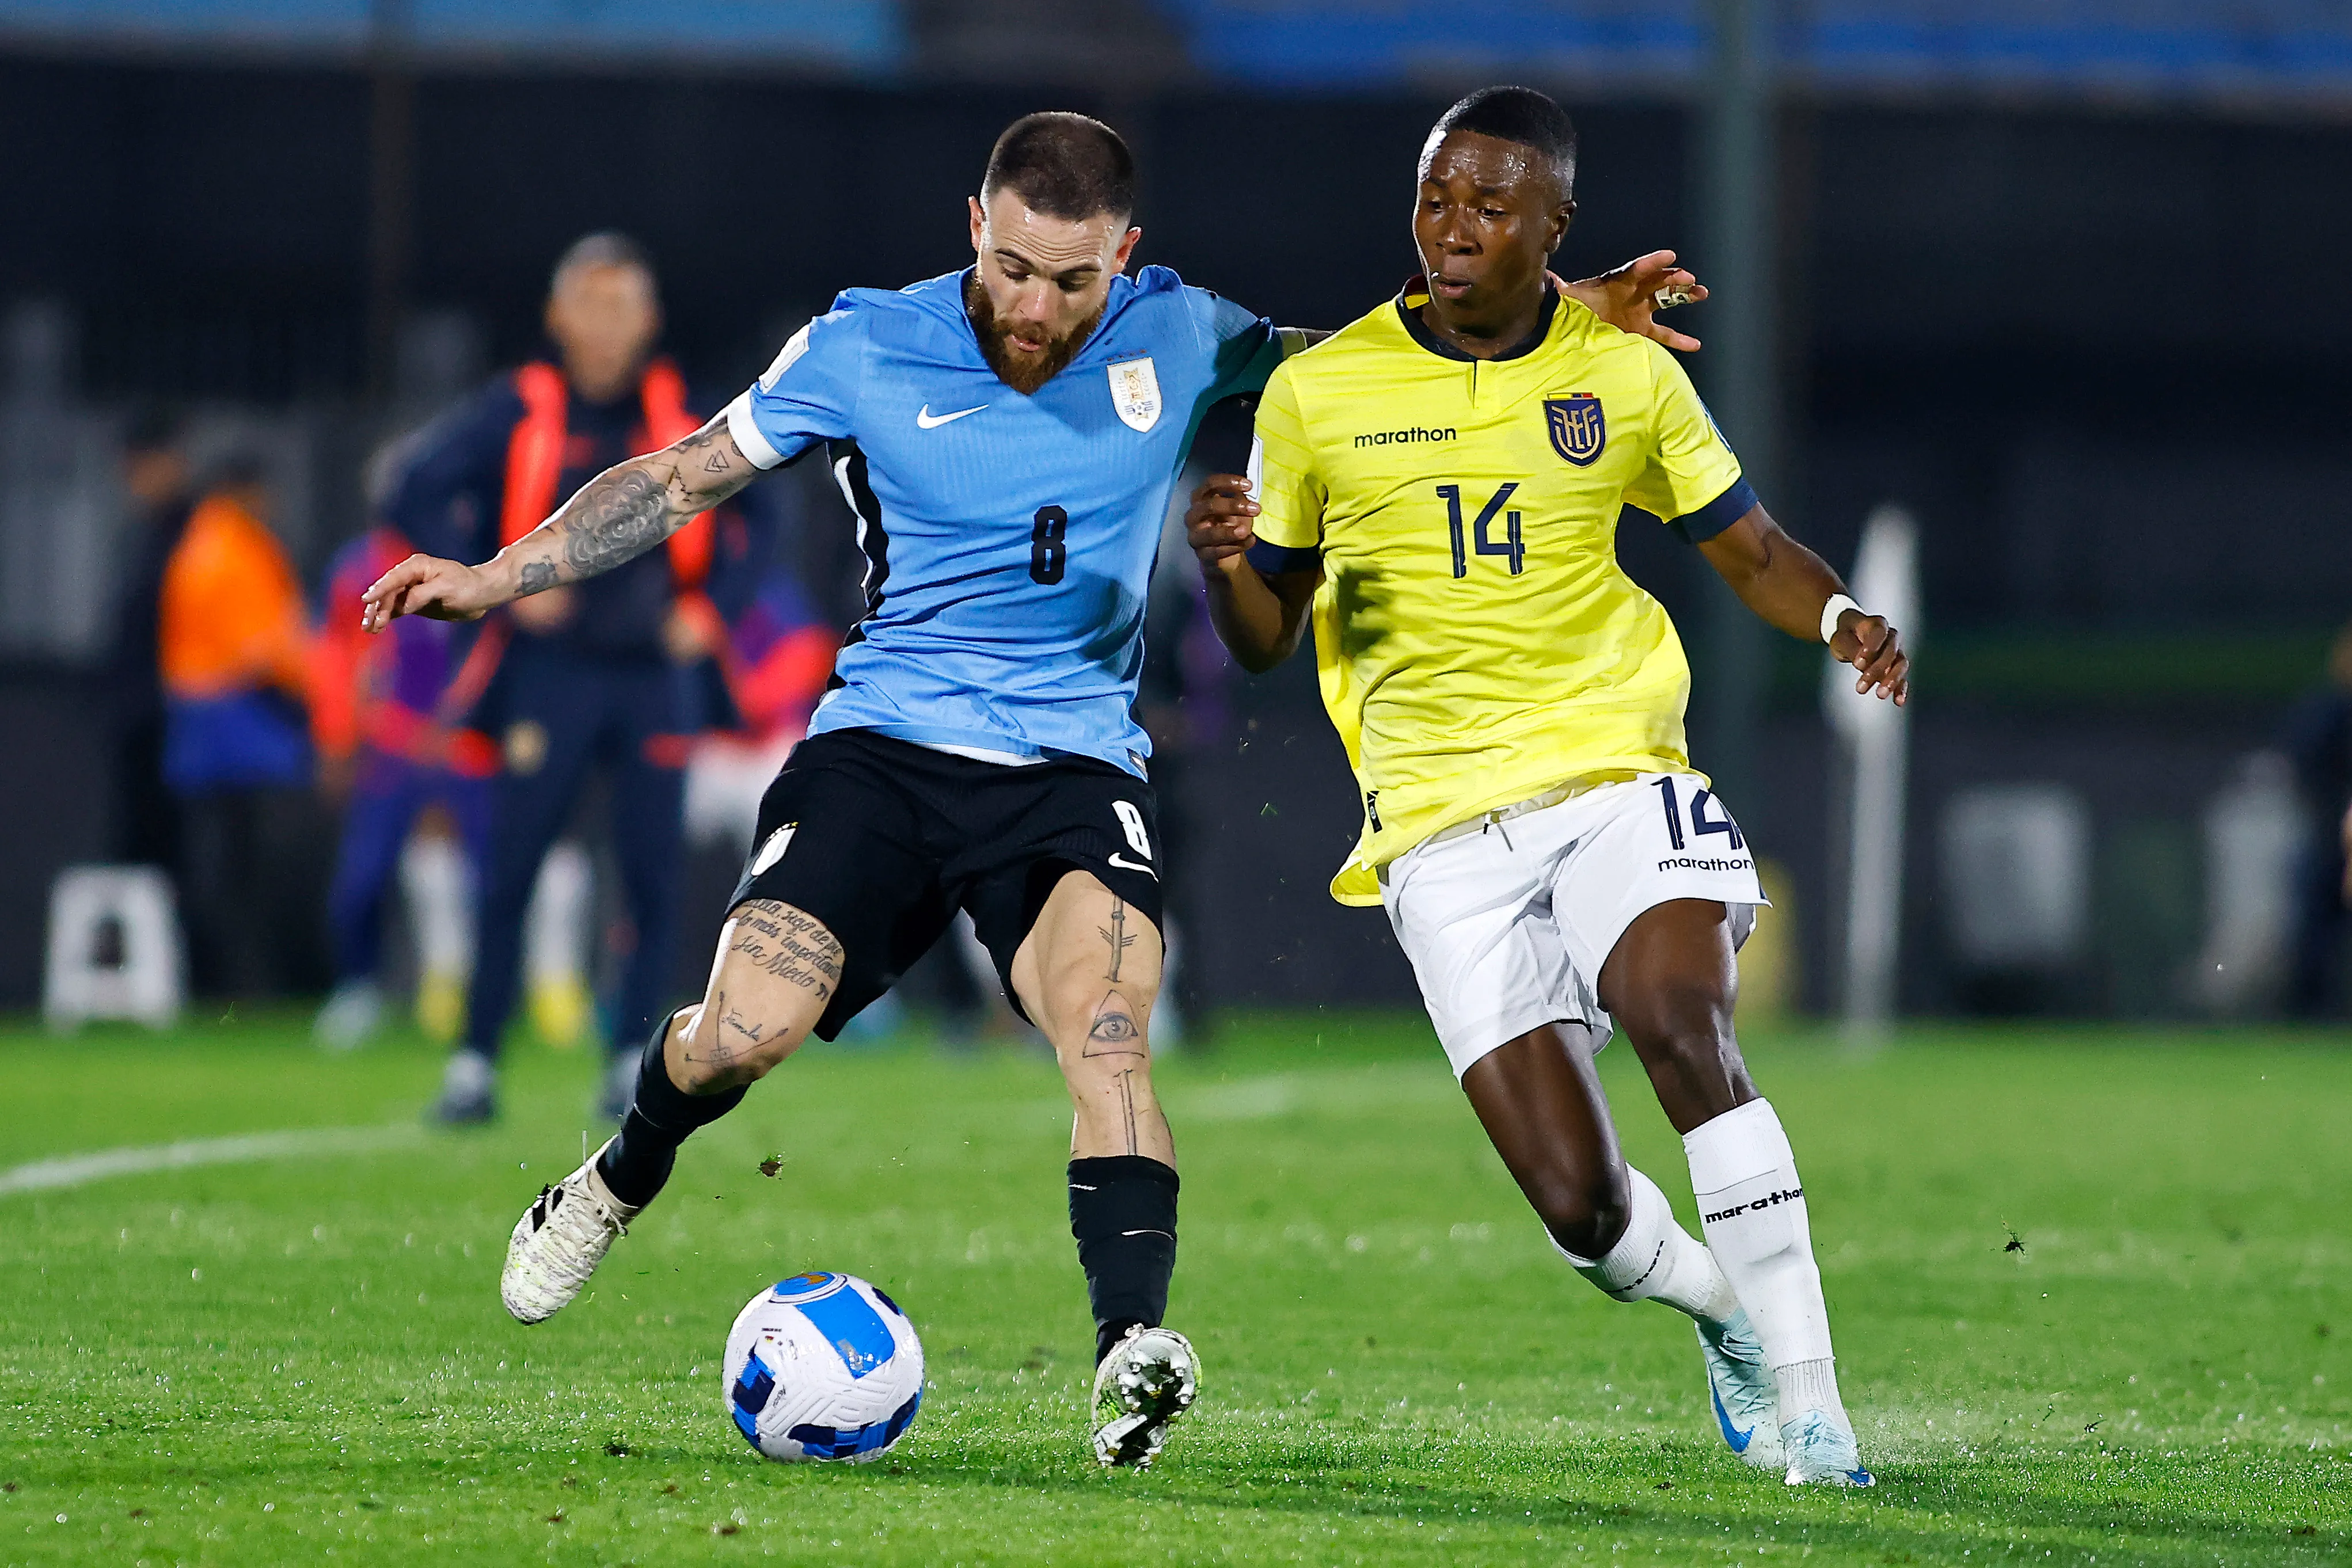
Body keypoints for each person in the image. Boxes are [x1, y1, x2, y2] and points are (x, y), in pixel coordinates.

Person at [360, 112, 1702, 1468]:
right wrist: (495, 575)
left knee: (1108, 1034)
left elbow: (1363, 359)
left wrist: (1571, 305)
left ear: (1124, 257)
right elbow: (672, 477)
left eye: (1072, 282)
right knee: (740, 1035)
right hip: (881, 752)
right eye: (1011, 268)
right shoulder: (864, 345)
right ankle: (611, 1180)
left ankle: (1132, 1350)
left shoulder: (1181, 335)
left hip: (1070, 769)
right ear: (974, 230)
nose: (1035, 307)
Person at [1183, 86, 1908, 1486]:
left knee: (1680, 1023)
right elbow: (1266, 639)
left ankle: (1816, 1411)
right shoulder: (1319, 393)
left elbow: (1748, 548)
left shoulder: (1623, 374)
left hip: (1611, 767)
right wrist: (1229, 566)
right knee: (1582, 1212)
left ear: (1552, 227)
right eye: (1433, 201)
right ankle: (1728, 1323)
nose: (1452, 231)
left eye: (1489, 208)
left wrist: (1838, 619)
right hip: (1436, 826)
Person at [376, 233, 780, 1121]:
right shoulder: (517, 407)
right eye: (590, 305)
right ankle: (475, 1062)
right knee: (512, 866)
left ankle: (626, 1066)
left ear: (653, 320)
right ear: (557, 317)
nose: (607, 325)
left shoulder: (688, 413)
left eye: (623, 305)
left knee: (651, 880)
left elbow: (769, 512)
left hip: (652, 676)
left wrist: (710, 608)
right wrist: (499, 581)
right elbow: (407, 488)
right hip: (548, 672)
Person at [309, 517, 499, 1047]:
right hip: (390, 744)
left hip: (466, 744)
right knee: (362, 877)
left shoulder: (480, 550)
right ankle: (358, 989)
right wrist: (337, 736)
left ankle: (491, 991)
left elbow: (494, 643)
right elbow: (340, 656)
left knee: (494, 875)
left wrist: (462, 718)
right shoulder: (362, 567)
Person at [157, 455, 320, 997]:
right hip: (230, 719)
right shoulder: (227, 550)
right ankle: (239, 986)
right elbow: (263, 647)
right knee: (241, 862)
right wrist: (318, 670)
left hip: (212, 718)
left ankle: (231, 983)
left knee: (227, 859)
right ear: (242, 490)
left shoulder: (211, 543)